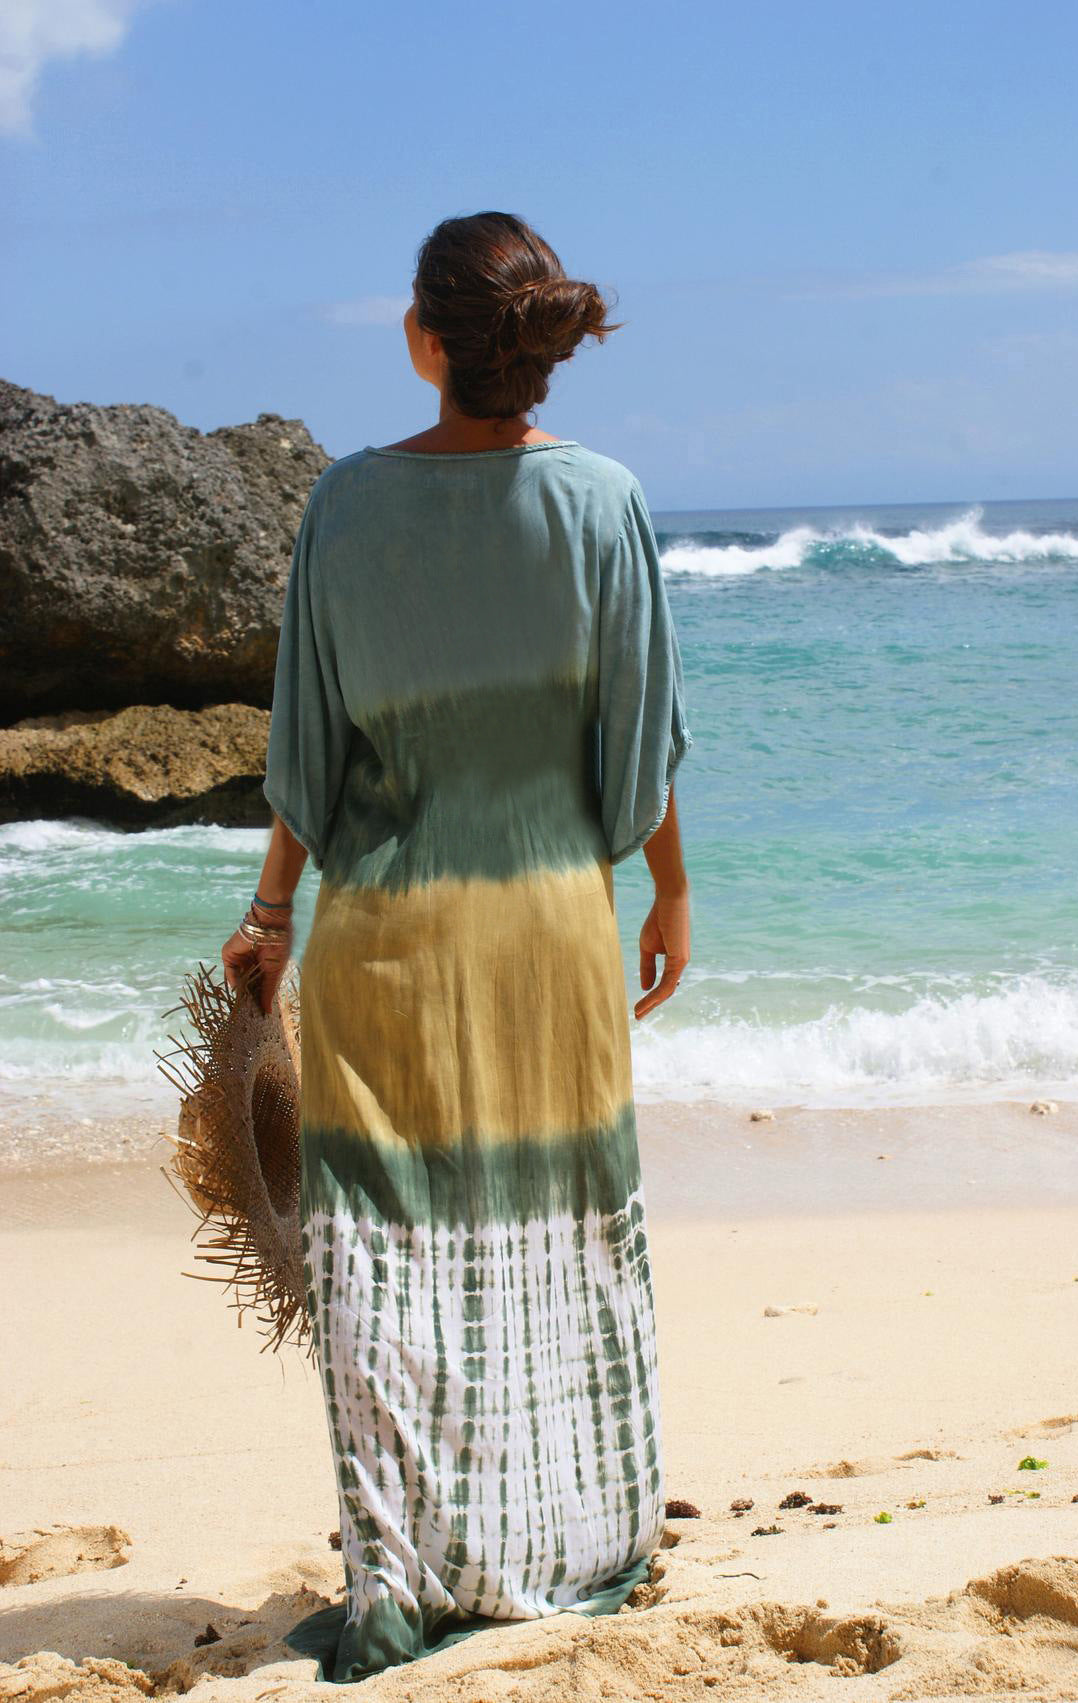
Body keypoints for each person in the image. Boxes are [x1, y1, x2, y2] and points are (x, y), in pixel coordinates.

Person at [220, 210, 694, 1683]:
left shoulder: (346, 509)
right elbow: (636, 748)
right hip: (550, 930)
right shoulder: (604, 501)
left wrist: (267, 915)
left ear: (425, 340)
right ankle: (574, 1549)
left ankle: (403, 1578)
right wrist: (670, 894)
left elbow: (307, 753)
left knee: (391, 1266)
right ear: (534, 340)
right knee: (561, 1243)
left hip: (387, 944)